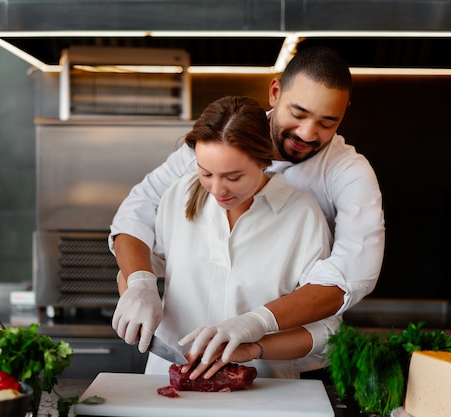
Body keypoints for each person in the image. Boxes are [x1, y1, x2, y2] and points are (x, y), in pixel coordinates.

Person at [109, 46, 385, 377]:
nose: (308, 133)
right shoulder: (189, 180)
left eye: (327, 122)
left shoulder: (331, 189)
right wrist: (137, 284)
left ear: (263, 165)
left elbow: (348, 279)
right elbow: (136, 216)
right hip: (169, 378)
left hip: (275, 368)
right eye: (298, 114)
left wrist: (256, 325)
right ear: (275, 92)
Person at [113, 96, 339, 378]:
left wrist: (254, 347)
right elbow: (142, 264)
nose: (217, 189)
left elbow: (327, 329)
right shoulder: (180, 194)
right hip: (168, 388)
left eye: (233, 177)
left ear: (263, 161)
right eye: (206, 172)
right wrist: (137, 288)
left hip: (263, 396)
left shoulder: (302, 216)